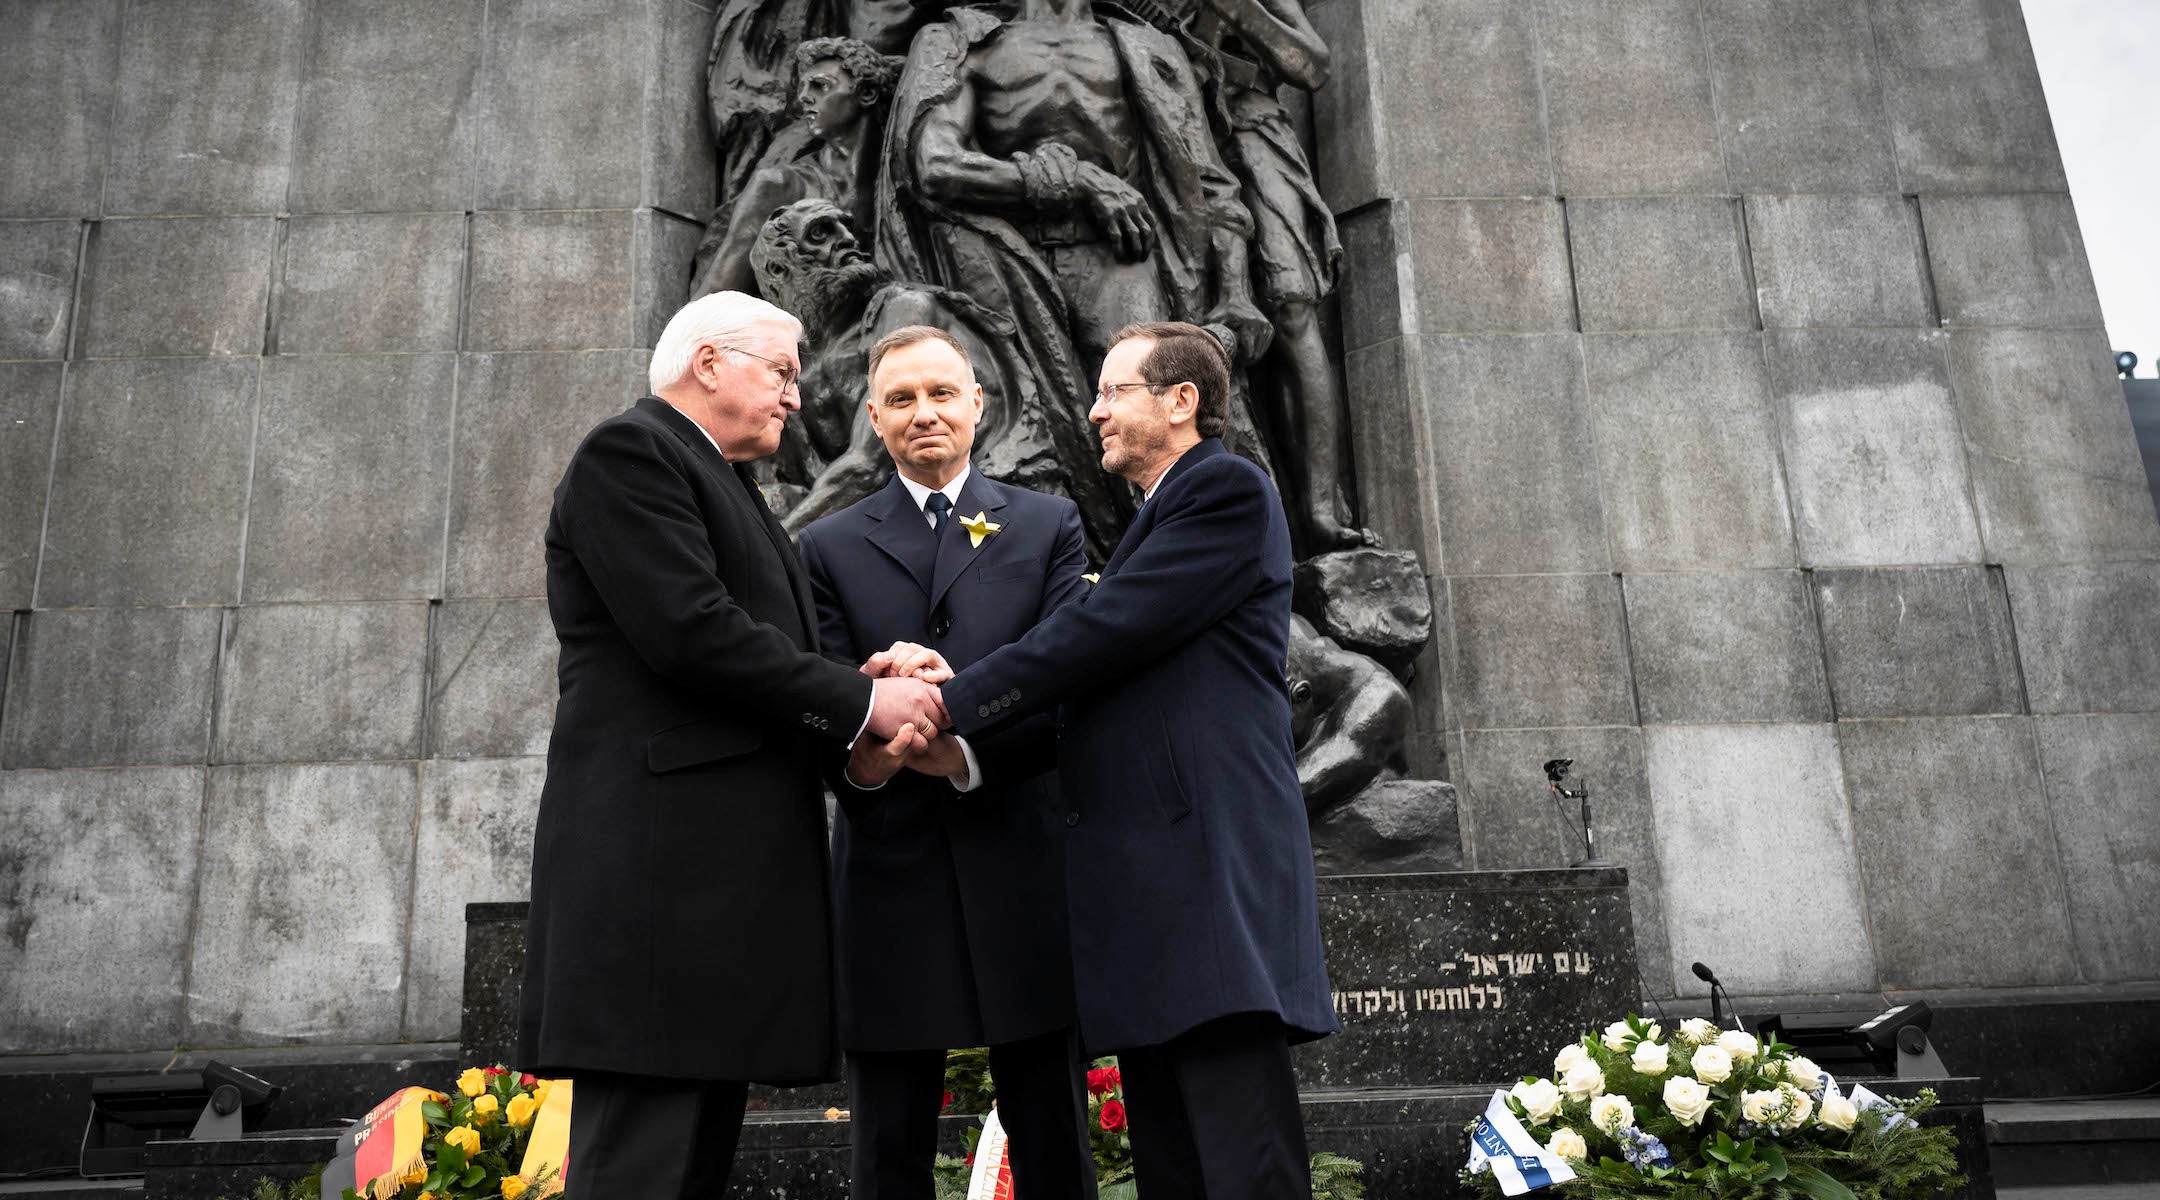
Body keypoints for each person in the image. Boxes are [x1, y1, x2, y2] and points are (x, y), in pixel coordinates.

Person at [516, 291, 947, 1197]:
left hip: (710, 904)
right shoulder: (631, 453)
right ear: (709, 363)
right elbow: (693, 633)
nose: (796, 397)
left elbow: (772, 665)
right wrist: (863, 702)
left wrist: (864, 727)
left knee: (688, 1165)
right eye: (783, 372)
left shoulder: (730, 486)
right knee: (642, 1167)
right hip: (659, 892)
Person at [934, 322, 1337, 1199]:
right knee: (1174, 1163)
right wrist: (962, 753)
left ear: (1181, 401)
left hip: (1205, 880)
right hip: (1158, 895)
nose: (1095, 412)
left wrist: (947, 697)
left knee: (1241, 1160)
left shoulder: (1224, 489)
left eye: (1114, 391)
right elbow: (1102, 693)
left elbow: (1100, 634)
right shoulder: (1162, 519)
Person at [795, 325, 1098, 1200]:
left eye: (940, 393)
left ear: (977, 403)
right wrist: (884, 740)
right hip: (890, 859)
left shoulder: (1047, 523)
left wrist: (956, 733)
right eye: (900, 399)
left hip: (1019, 851)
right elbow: (822, 695)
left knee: (1052, 1131)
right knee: (889, 1141)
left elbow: (1062, 673)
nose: (923, 413)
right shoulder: (826, 545)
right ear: (873, 419)